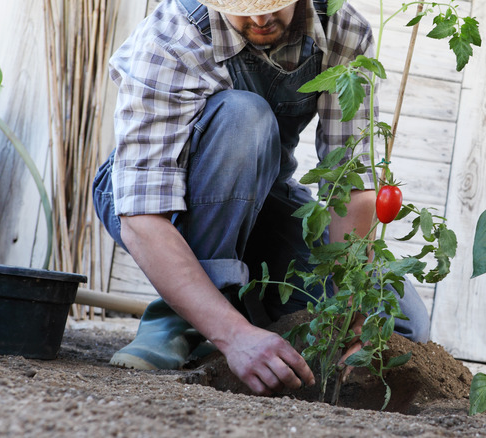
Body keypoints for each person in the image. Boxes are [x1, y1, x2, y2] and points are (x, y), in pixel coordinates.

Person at [92, 0, 430, 396]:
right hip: (159, 208)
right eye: (242, 6)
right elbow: (142, 217)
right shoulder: (173, 36)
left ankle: (241, 312)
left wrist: (350, 307)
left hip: (263, 198)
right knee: (245, 118)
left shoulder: (341, 29)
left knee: (401, 324)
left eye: (273, 2)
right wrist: (234, 338)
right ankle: (185, 318)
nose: (259, 19)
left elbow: (351, 184)